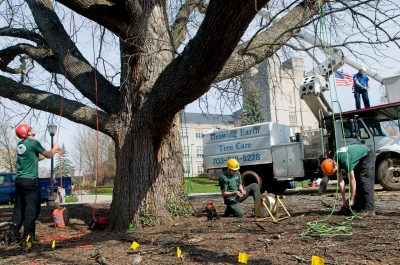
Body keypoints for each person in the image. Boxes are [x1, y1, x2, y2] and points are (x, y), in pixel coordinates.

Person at [7, 124, 59, 245]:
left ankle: (12, 235)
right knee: (32, 209)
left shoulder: (21, 144)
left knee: (19, 208)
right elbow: (49, 155)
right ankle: (28, 239)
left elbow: (36, 158)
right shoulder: (33, 142)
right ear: (28, 132)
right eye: (30, 128)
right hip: (30, 181)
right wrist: (54, 149)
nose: (32, 129)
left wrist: (50, 153)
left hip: (20, 180)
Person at [320, 144, 375, 216]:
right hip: (358, 157)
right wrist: (343, 200)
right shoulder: (334, 160)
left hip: (367, 154)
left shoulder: (345, 160)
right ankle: (357, 206)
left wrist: (352, 198)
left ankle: (369, 209)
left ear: (334, 164)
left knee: (364, 180)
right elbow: (341, 182)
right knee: (359, 182)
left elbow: (352, 180)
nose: (336, 172)